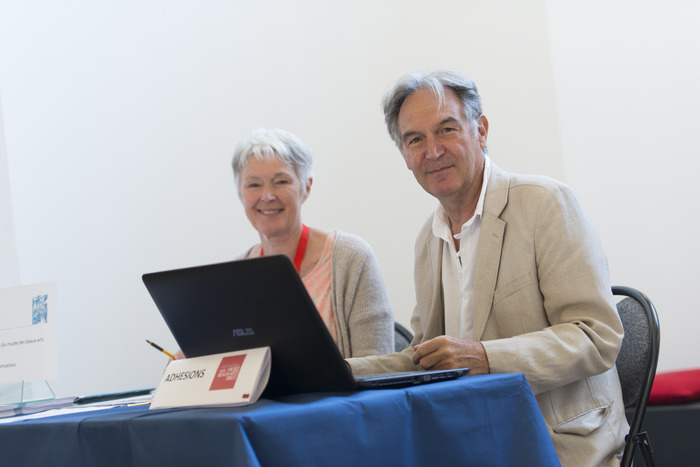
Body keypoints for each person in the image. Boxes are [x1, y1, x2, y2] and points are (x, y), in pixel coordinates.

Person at [346, 70, 629, 466]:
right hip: (472, 442)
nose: (432, 151)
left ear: (480, 131)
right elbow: (423, 356)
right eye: (415, 139)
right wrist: (338, 372)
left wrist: (486, 357)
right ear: (405, 157)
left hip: (558, 445)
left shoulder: (545, 203)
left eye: (446, 129)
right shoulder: (428, 238)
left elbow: (596, 336)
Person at [231, 127, 394, 358]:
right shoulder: (236, 273)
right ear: (240, 192)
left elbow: (377, 364)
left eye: (281, 181)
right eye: (254, 185)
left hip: (338, 395)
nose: (267, 196)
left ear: (306, 187)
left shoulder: (351, 257)